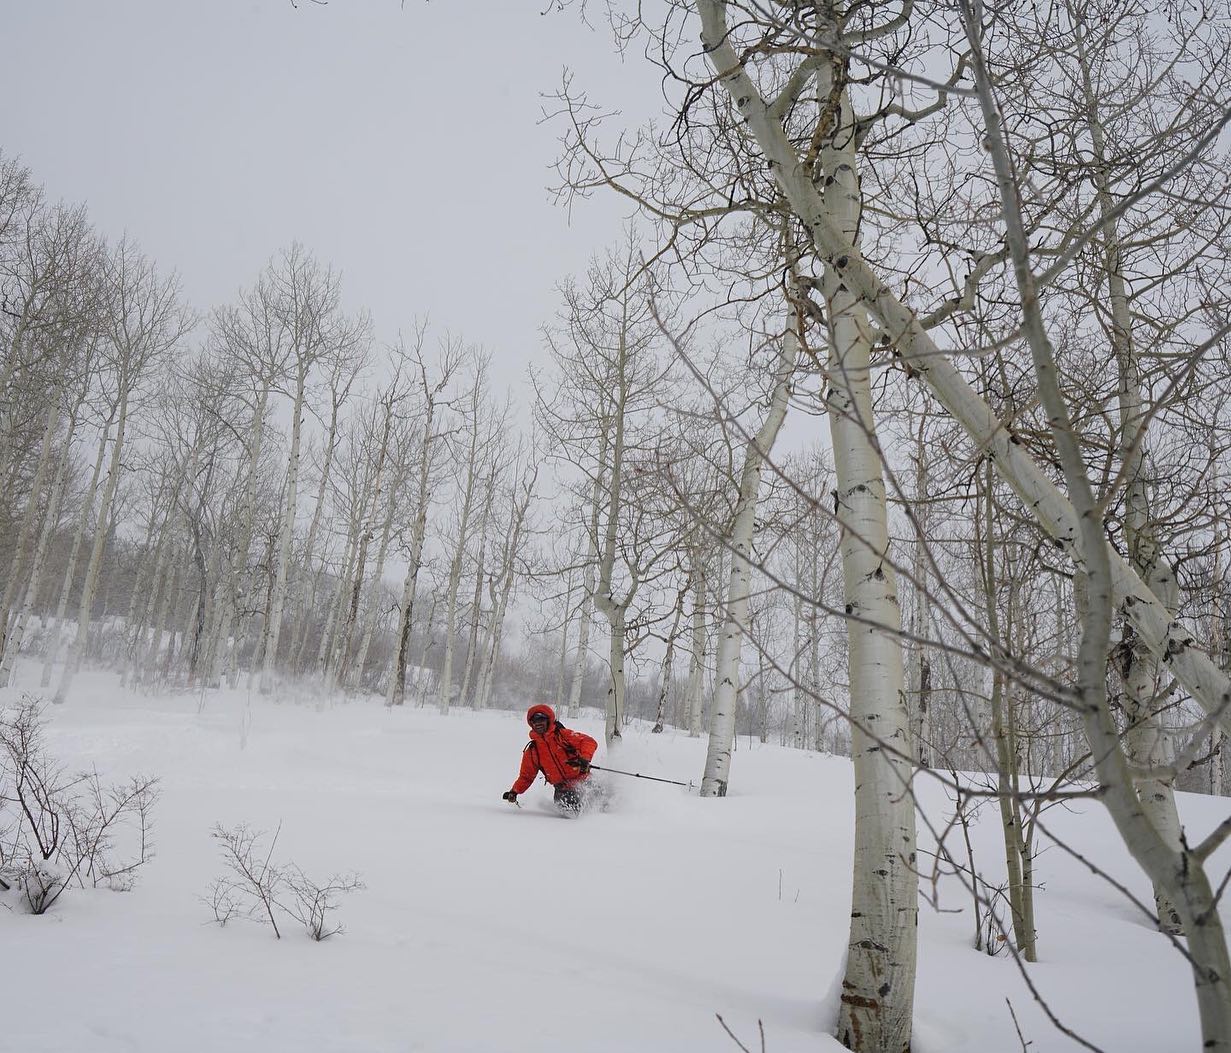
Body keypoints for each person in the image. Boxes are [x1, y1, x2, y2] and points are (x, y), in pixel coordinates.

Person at [502, 704, 598, 815]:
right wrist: (514, 791)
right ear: (531, 723)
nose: (538, 723)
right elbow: (526, 776)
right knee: (571, 815)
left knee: (603, 806)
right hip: (563, 790)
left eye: (541, 719)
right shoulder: (533, 750)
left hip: (585, 782)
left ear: (549, 720)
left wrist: (585, 759)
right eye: (534, 720)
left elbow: (588, 741)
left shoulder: (563, 735)